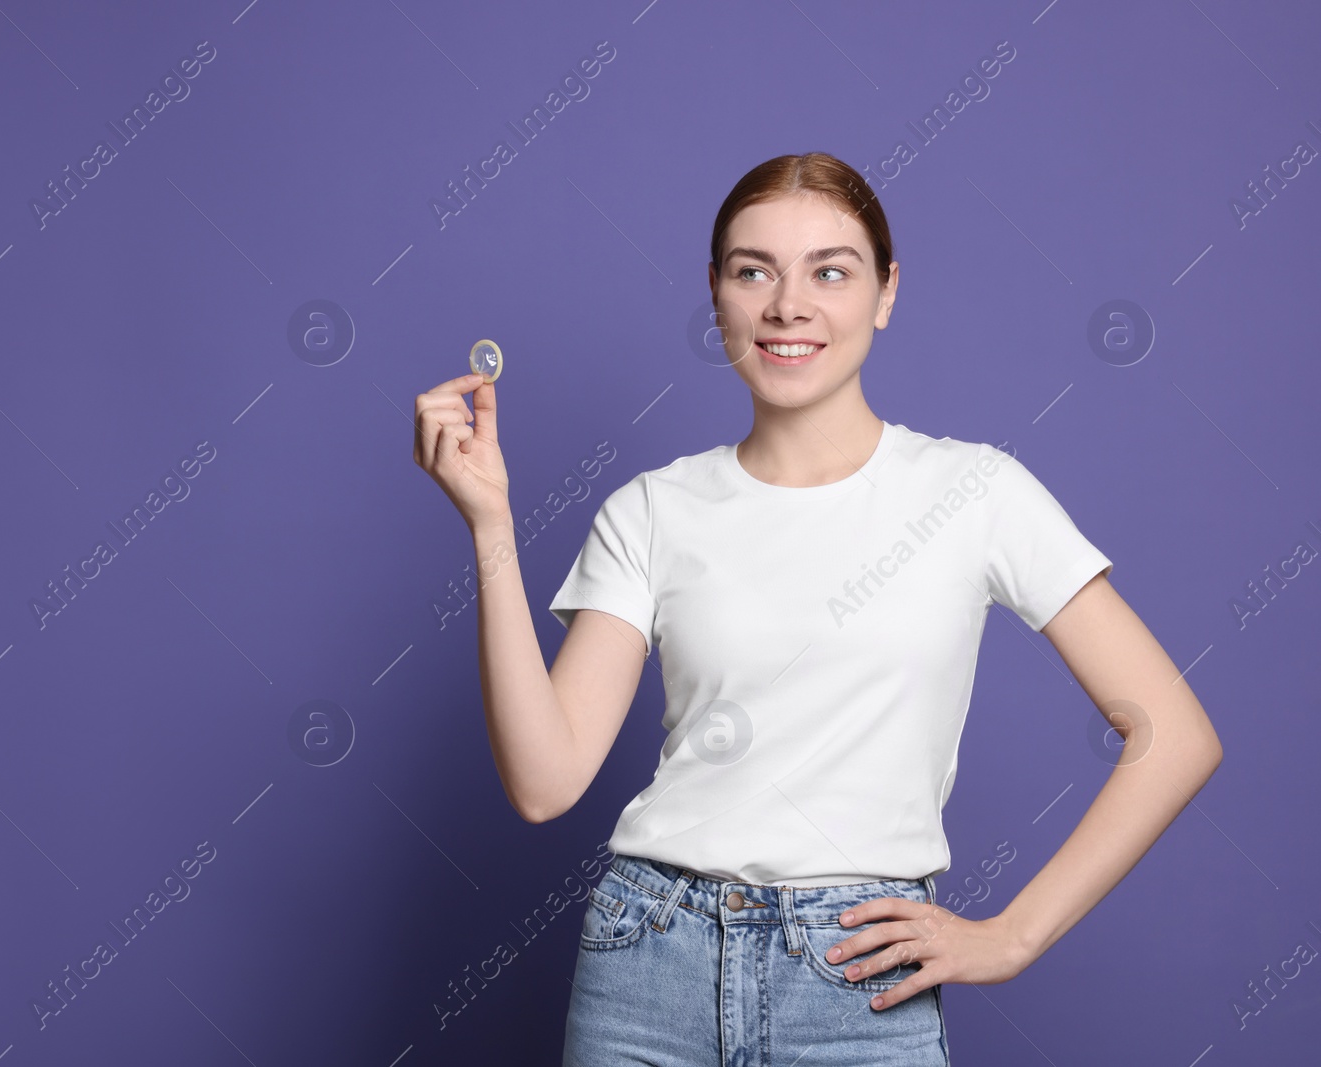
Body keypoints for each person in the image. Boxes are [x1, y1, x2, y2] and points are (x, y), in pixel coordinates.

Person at [411, 152, 1223, 1066]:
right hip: (647, 960)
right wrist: (490, 524)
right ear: (716, 295)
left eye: (830, 271)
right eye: (752, 270)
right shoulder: (653, 509)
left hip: (856, 978)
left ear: (885, 291)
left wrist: (1014, 934)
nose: (786, 305)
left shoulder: (976, 491)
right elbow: (544, 779)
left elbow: (1174, 735)